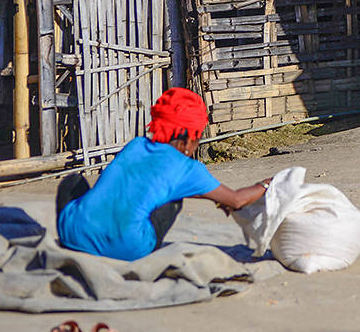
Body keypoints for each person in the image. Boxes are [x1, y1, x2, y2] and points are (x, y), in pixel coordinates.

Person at [56, 87, 271, 261]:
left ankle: (86, 228)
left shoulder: (135, 146)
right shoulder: (188, 168)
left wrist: (212, 197)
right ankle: (137, 246)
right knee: (172, 200)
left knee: (73, 182)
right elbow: (236, 200)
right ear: (188, 140)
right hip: (128, 249)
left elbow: (154, 183)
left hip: (74, 235)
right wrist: (266, 184)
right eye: (197, 138)